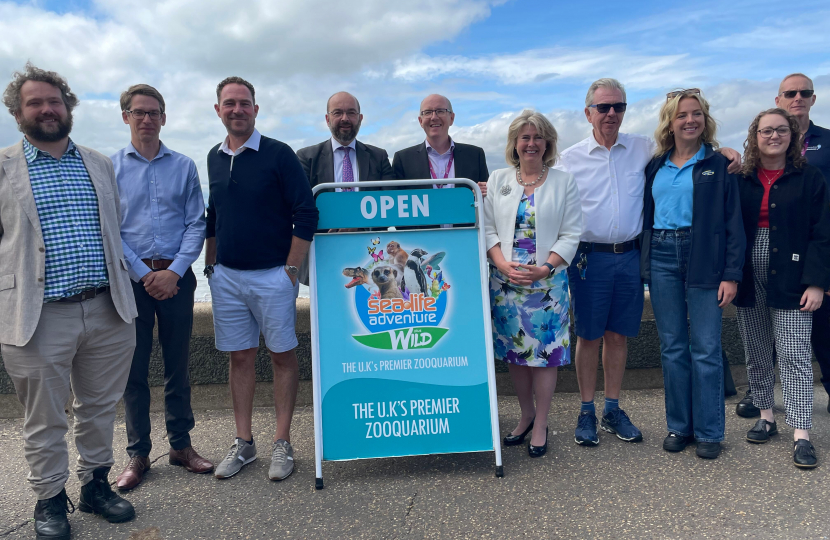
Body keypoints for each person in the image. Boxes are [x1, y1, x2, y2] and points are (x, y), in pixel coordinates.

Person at [555, 78, 742, 447]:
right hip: (590, 258)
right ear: (588, 112)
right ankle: (588, 411)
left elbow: (696, 162)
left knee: (620, 337)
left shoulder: (643, 151)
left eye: (618, 107)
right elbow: (545, 195)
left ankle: (615, 409)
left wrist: (729, 152)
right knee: (591, 337)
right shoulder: (570, 158)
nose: (611, 114)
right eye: (604, 107)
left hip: (630, 256)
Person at [0, 63, 138, 539]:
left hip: (107, 308)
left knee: (99, 407)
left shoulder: (99, 163)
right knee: (44, 418)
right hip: (37, 317)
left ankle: (95, 486)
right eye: (34, 102)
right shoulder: (3, 167)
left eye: (54, 101)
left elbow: (114, 230)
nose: (46, 109)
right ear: (18, 113)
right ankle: (49, 500)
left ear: (68, 106)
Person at [205, 76, 318, 482]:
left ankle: (283, 442)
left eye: (245, 103)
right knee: (240, 358)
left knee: (283, 356)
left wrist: (291, 269)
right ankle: (244, 443)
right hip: (228, 278)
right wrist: (210, 265)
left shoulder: (279, 154)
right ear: (218, 110)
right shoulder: (214, 157)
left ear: (256, 109)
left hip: (273, 275)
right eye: (229, 103)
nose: (237, 109)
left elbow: (306, 212)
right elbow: (213, 216)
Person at [111, 84, 213, 491]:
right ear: (126, 117)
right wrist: (142, 273)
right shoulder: (110, 167)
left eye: (154, 112)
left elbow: (196, 223)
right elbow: (110, 230)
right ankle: (138, 453)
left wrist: (174, 271)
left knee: (178, 366)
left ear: (164, 118)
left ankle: (181, 446)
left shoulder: (184, 166)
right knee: (133, 371)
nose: (147, 119)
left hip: (177, 279)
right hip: (132, 281)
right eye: (139, 112)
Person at [641, 89, 745, 460]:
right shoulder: (656, 165)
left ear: (705, 119)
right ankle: (679, 426)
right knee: (672, 347)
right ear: (670, 122)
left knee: (705, 347)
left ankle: (710, 431)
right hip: (663, 257)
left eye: (696, 114)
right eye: (682, 114)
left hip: (704, 258)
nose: (690, 120)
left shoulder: (719, 164)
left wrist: (731, 274)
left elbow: (733, 222)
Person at [735, 108, 830, 469]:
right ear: (754, 137)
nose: (773, 136)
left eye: (780, 130)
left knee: (795, 353)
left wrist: (817, 282)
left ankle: (801, 432)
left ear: (792, 136)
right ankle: (765, 415)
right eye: (765, 131)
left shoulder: (810, 178)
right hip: (748, 271)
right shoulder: (741, 179)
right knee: (757, 348)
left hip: (793, 272)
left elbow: (822, 234)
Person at [483, 110, 581, 457]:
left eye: (538, 137)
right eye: (525, 137)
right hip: (506, 283)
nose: (531, 143)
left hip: (547, 285)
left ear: (548, 143)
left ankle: (541, 422)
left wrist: (545, 267)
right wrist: (500, 262)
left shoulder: (563, 182)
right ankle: (525, 415)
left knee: (545, 355)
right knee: (516, 354)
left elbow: (572, 233)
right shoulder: (498, 180)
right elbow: (488, 228)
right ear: (515, 143)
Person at [295, 91, 395, 283]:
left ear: (360, 118)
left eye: (351, 113)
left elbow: (389, 204)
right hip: (322, 252)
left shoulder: (379, 156)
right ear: (327, 118)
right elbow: (299, 206)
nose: (345, 118)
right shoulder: (306, 157)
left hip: (370, 255)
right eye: (337, 113)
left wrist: (356, 223)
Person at [392, 94, 489, 195]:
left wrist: (476, 195)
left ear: (451, 118)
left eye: (440, 111)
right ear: (420, 121)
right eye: (428, 112)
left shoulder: (475, 155)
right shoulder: (403, 160)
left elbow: (487, 198)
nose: (434, 117)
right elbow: (398, 202)